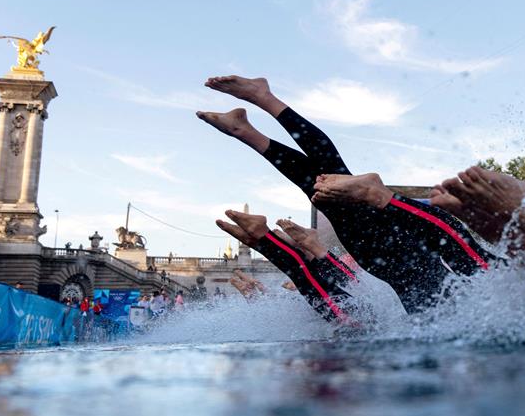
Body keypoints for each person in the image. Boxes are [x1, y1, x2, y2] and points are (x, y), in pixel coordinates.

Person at [198, 75, 497, 311]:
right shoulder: (510, 297)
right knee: (472, 268)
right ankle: (259, 107)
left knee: (330, 191)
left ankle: (249, 126)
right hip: (426, 279)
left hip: (400, 276)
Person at [216, 209, 356, 324]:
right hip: (361, 309)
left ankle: (260, 242)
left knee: (305, 279)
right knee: (307, 278)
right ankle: (302, 244)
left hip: (357, 305)